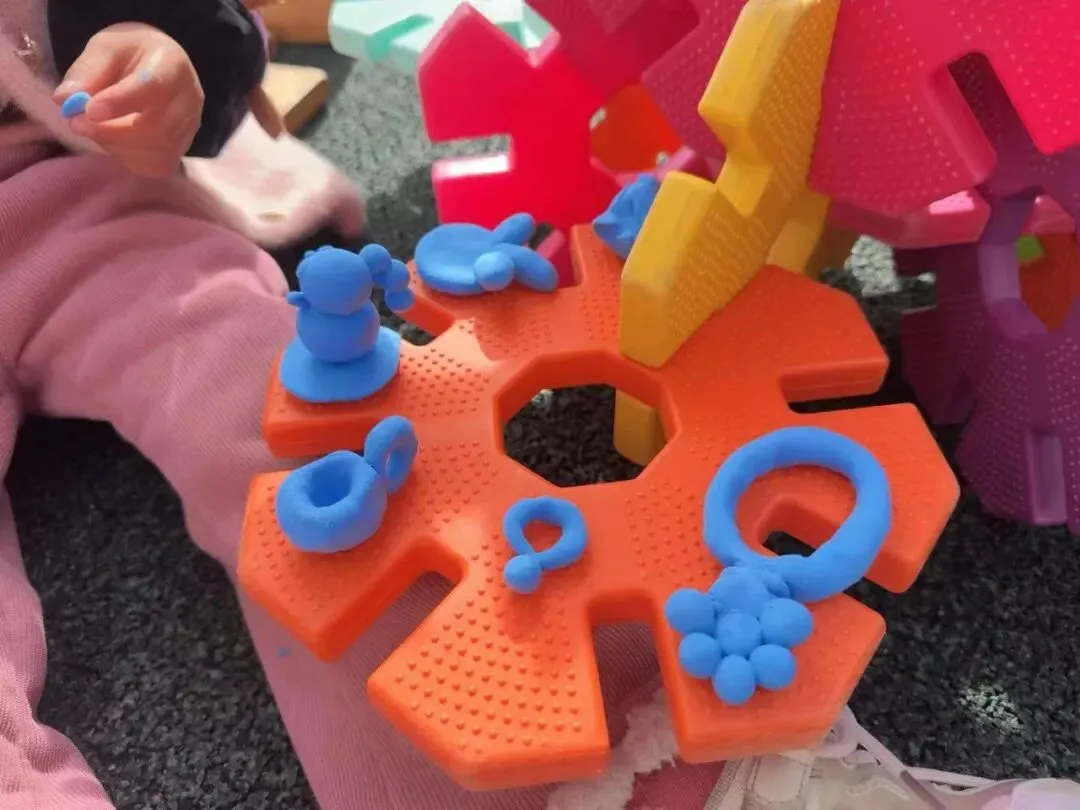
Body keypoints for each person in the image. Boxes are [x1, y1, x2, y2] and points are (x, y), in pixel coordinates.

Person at [0, 3, 1076, 809]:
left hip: (68, 198)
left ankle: (637, 770)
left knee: (286, 425)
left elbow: (204, 39)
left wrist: (153, 50)